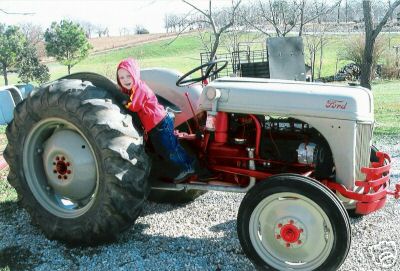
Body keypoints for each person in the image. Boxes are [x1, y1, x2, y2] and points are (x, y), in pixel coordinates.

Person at [116, 58, 195, 183]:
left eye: (128, 76)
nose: (125, 80)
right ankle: (187, 164)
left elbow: (134, 106)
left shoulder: (139, 89)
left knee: (169, 149)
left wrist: (124, 104)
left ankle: (187, 168)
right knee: (165, 148)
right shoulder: (134, 89)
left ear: (135, 75)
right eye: (122, 78)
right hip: (155, 124)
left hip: (160, 123)